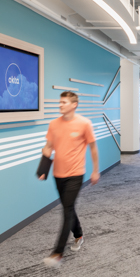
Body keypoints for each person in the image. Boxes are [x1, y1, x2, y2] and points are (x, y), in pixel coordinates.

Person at [39, 91, 100, 267]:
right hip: (58, 174)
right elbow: (48, 147)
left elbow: (93, 148)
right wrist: (43, 168)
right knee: (69, 207)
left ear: (74, 104)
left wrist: (95, 170)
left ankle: (57, 253)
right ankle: (79, 234)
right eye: (60, 102)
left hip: (76, 174)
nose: (60, 105)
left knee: (66, 211)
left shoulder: (84, 124)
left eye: (64, 102)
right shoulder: (54, 124)